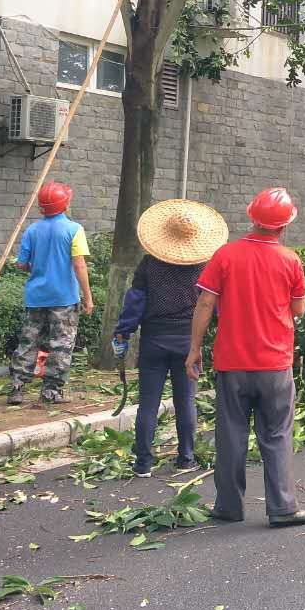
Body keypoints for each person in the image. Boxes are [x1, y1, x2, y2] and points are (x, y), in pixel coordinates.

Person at [186, 188, 305, 528]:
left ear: (252, 218)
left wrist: (194, 349)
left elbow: (204, 304)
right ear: (284, 226)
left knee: (230, 434)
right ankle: (283, 508)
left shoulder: (225, 256)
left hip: (233, 362)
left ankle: (229, 506)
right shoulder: (290, 260)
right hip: (275, 365)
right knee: (276, 434)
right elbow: (299, 308)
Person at [112, 199, 228, 477]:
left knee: (148, 403)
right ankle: (185, 459)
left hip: (153, 340)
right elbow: (214, 306)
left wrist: (123, 332)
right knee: (186, 401)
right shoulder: (205, 267)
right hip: (190, 343)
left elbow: (135, 302)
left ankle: (143, 463)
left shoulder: (149, 265)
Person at [9, 180, 93, 406]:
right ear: (65, 204)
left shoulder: (32, 230)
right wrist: (88, 296)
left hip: (35, 297)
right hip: (64, 298)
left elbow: (22, 265)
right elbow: (79, 265)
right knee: (61, 344)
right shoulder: (74, 230)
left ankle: (17, 388)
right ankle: (51, 392)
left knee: (28, 341)